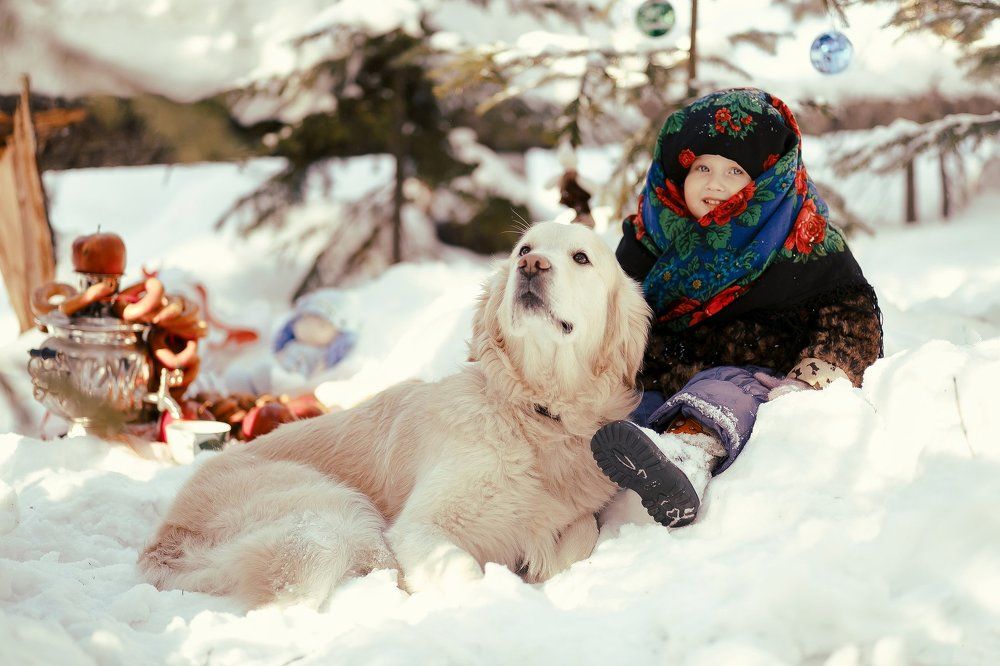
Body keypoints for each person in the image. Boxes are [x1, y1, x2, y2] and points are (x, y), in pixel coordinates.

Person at [590, 88, 883, 528]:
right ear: (678, 172)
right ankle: (590, 477)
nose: (715, 183)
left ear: (766, 181)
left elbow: (852, 321)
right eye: (702, 167)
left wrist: (811, 382)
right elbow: (612, 318)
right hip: (659, 378)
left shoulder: (804, 241)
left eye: (734, 170)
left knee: (719, 391)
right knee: (618, 410)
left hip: (753, 379)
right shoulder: (649, 238)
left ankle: (682, 463)